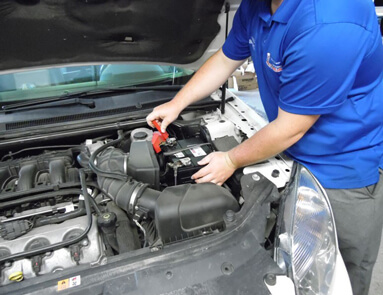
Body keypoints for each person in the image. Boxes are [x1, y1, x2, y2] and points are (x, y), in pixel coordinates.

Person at [146, 0, 383, 294]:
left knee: (332, 276)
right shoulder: (258, 5)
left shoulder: (330, 22)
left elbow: (289, 128)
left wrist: (231, 160)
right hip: (287, 150)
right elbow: (225, 59)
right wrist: (177, 103)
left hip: (341, 172)